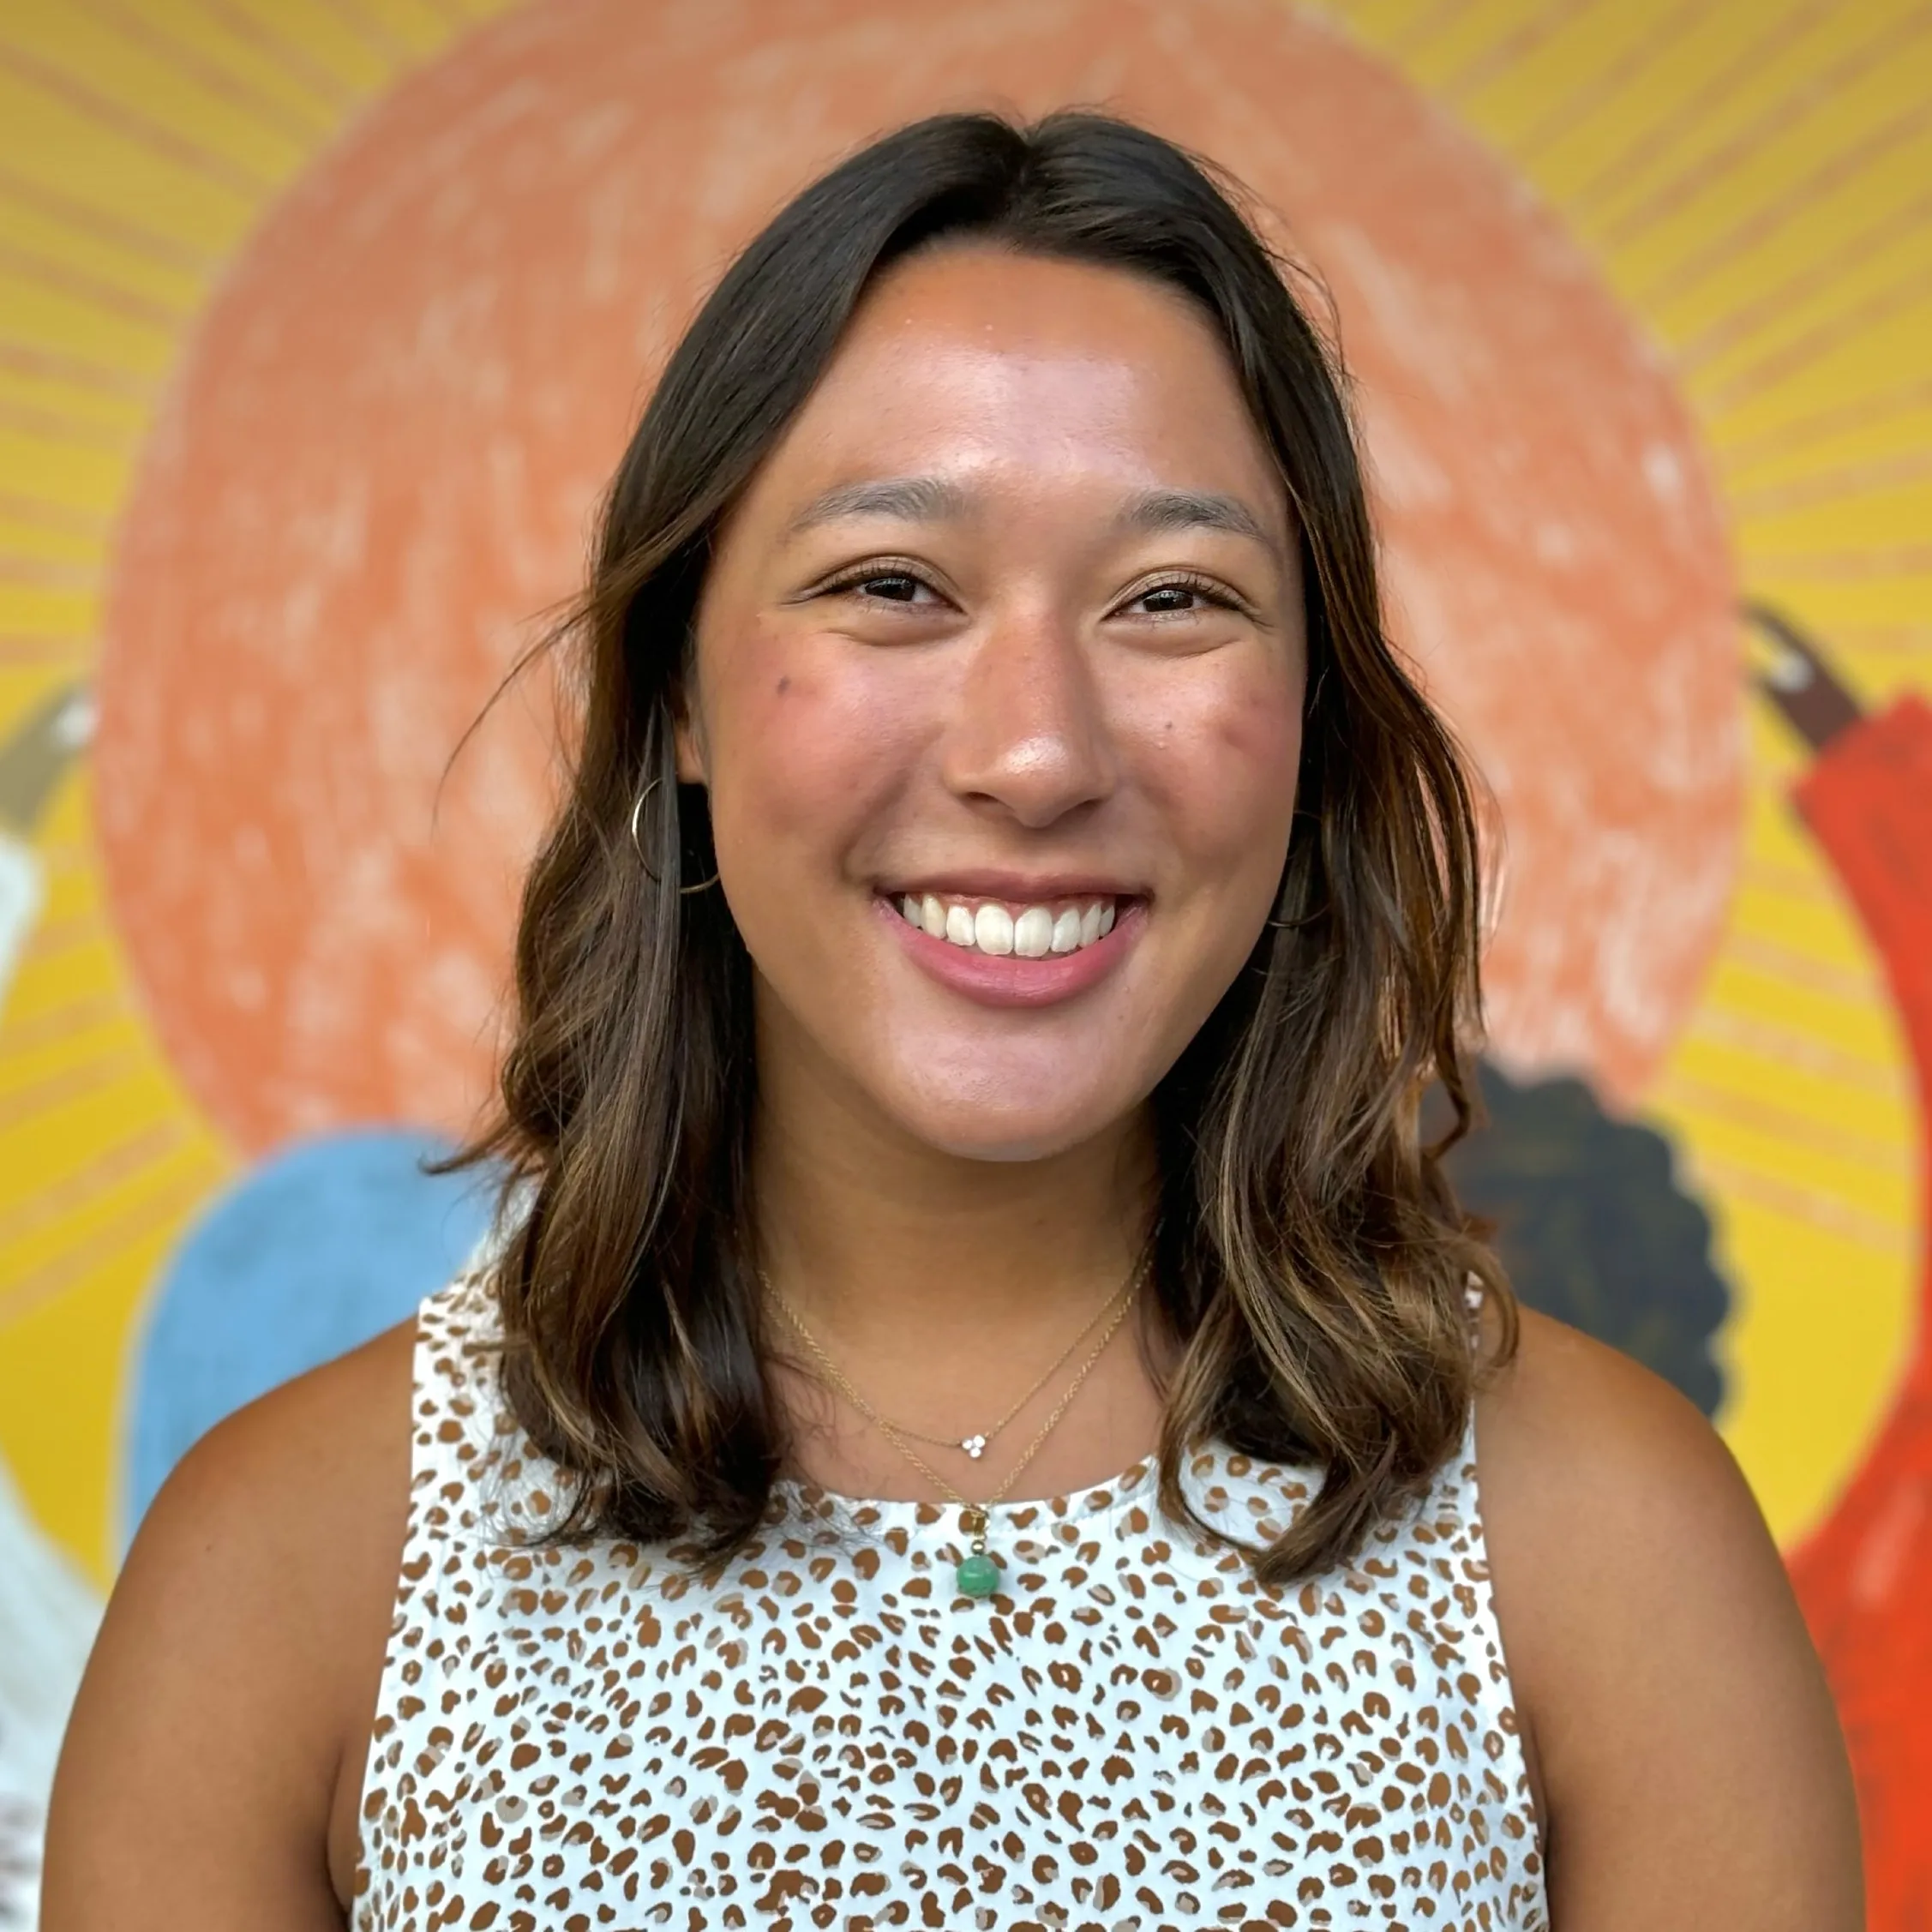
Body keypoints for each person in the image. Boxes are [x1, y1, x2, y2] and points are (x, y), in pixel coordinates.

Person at [43, 110, 1859, 1930]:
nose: (1034, 751)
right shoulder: (286, 1581)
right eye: (890, 586)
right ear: (676, 688)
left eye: (1172, 599)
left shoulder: (1607, 1555)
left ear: (1310, 720)